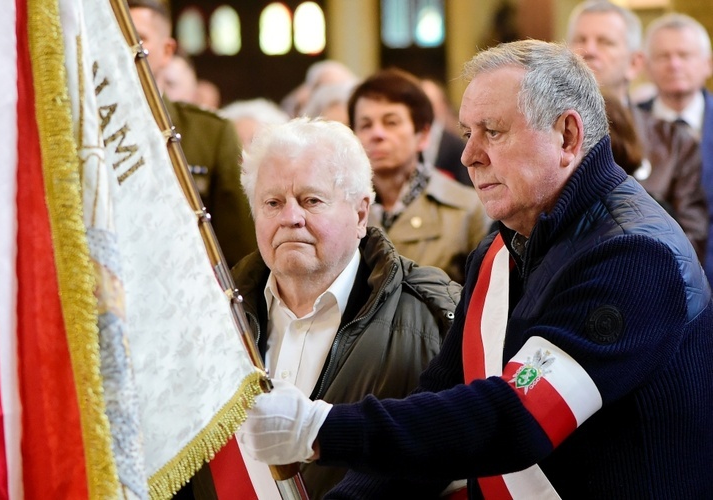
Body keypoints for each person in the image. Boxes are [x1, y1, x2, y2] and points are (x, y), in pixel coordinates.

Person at [238, 40, 713, 499]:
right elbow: (442, 408)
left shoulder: (634, 254)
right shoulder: (501, 249)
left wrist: (321, 429)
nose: (468, 155)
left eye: (493, 131)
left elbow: (516, 418)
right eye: (467, 133)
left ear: (567, 136)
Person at [208, 117, 460, 498]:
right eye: (272, 203)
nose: (290, 218)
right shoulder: (212, 318)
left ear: (361, 214)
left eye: (311, 200)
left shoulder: (434, 316)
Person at [567, 0, 708, 260]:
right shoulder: (544, 136)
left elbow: (690, 244)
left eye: (605, 42)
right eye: (580, 40)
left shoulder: (674, 142)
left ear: (635, 63)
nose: (589, 50)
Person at [128, 0, 256, 266]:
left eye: (138, 37)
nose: (125, 46)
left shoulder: (211, 134)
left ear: (167, 51)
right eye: (117, 35)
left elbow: (239, 251)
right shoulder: (85, 126)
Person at [348, 68, 490, 283]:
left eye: (391, 122)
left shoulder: (466, 210)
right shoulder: (342, 209)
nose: (377, 134)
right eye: (366, 125)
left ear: (423, 135)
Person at [639, 12, 713, 285]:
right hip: (651, 282)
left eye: (684, 55)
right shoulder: (626, 130)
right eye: (663, 56)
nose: (674, 64)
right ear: (646, 65)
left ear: (708, 64)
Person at [420, 78, 471, 186]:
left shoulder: (455, 144)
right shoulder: (412, 142)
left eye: (431, 103)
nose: (427, 110)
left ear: (442, 105)